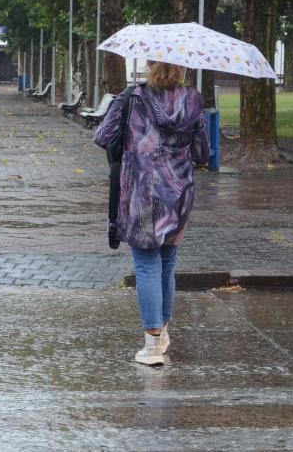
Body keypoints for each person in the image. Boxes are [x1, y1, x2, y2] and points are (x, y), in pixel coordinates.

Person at [93, 61, 210, 366]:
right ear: (182, 69)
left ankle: (152, 345)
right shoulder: (194, 100)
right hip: (180, 192)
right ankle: (163, 332)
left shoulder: (132, 97)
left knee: (147, 266)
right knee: (167, 263)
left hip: (142, 192)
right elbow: (202, 154)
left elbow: (103, 137)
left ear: (150, 67)